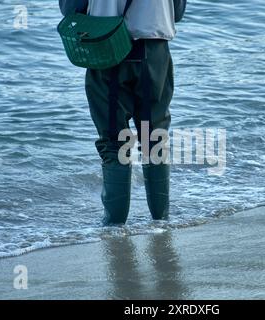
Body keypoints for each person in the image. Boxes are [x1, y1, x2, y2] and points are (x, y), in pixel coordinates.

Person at [59, 0, 187, 225]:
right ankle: (161, 223)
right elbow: (177, 12)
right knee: (154, 139)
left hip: (106, 48)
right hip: (154, 50)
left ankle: (114, 227)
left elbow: (72, 9)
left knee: (113, 142)